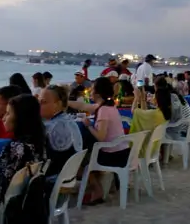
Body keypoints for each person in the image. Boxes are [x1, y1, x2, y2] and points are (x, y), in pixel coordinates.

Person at [0, 94, 46, 222]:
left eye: (8, 114)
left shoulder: (16, 148)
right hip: (22, 204)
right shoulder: (38, 144)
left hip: (3, 209)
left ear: (20, 118)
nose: (4, 118)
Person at [68, 77, 129, 205]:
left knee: (79, 157)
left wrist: (88, 125)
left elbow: (101, 137)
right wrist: (65, 102)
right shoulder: (108, 106)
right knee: (87, 150)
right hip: (122, 152)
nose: (90, 91)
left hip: (114, 156)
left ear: (98, 94)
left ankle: (96, 189)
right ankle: (98, 185)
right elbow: (83, 106)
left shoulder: (103, 111)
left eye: (92, 89)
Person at [40, 85, 82, 177]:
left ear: (58, 104)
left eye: (43, 102)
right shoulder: (68, 119)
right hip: (69, 175)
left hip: (55, 177)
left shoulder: (51, 126)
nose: (39, 105)